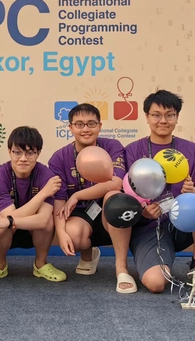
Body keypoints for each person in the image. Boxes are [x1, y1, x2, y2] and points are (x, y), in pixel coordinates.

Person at [124, 90, 195, 294]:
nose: (163, 120)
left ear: (177, 117)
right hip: (150, 226)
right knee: (156, 283)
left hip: (184, 221)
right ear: (147, 117)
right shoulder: (133, 150)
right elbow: (125, 192)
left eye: (170, 115)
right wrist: (143, 210)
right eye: (156, 115)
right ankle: (154, 261)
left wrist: (192, 191)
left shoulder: (192, 150)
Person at [48, 103, 133, 291]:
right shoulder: (59, 158)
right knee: (73, 235)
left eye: (91, 124)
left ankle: (121, 268)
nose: (85, 129)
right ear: (70, 128)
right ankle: (88, 254)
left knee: (115, 197)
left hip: (109, 208)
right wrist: (61, 232)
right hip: (81, 214)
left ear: (100, 126)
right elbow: (59, 200)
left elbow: (116, 182)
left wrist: (77, 195)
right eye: (79, 124)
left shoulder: (112, 146)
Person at [0, 126, 65, 283]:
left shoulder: (47, 176)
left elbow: (43, 220)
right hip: (9, 227)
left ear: (38, 153)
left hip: (32, 226)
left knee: (49, 222)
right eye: (17, 152)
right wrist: (43, 193)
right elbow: (8, 215)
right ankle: (0, 265)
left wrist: (8, 220)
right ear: (9, 151)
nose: (23, 158)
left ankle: (40, 264)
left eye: (30, 153)